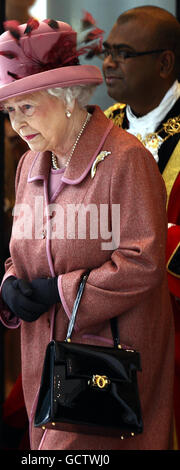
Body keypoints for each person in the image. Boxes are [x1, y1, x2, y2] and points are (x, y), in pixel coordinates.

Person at [0, 18, 175, 450]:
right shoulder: (30, 163)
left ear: (66, 98)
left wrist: (60, 291)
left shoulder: (126, 160)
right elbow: (24, 252)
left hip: (105, 370)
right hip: (45, 369)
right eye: (11, 111)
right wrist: (11, 284)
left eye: (26, 107)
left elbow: (143, 263)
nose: (16, 124)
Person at [102, 5, 180, 445]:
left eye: (124, 53)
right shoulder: (98, 127)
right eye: (107, 50)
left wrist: (140, 244)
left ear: (164, 62)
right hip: (96, 319)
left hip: (169, 324)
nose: (109, 62)